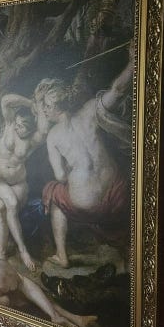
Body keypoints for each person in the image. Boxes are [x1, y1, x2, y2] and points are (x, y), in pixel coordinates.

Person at [41, 41, 135, 268]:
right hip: (118, 193)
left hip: (88, 203)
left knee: (52, 191)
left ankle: (62, 256)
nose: (43, 110)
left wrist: (73, 169)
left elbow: (60, 175)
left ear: (54, 107)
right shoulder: (91, 109)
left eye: (45, 106)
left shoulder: (53, 136)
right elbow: (118, 90)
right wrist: (134, 61)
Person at [0, 92, 49, 270]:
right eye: (18, 123)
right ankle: (23, 251)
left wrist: (39, 106)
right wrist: (30, 103)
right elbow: (5, 100)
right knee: (11, 203)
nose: (18, 128)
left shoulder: (32, 141)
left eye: (23, 127)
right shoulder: (9, 124)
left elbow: (44, 130)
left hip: (18, 183)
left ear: (30, 129)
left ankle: (1, 253)